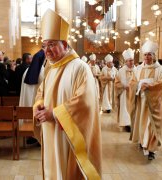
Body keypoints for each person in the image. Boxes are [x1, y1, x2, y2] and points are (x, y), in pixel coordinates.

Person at [33, 9, 101, 179]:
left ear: (64, 44)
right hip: (50, 130)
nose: (46, 50)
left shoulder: (79, 67)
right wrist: (38, 107)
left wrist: (54, 114)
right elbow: (41, 92)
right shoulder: (50, 67)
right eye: (44, 45)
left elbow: (85, 101)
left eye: (51, 44)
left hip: (68, 133)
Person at [131, 40, 162, 160]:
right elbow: (133, 83)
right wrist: (139, 86)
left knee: (151, 125)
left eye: (149, 54)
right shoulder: (138, 69)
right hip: (142, 101)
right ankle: (142, 141)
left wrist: (149, 86)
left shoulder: (159, 69)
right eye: (145, 54)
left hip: (154, 103)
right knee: (142, 123)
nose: (147, 57)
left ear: (154, 56)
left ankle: (152, 149)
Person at [114, 48, 137, 133]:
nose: (131, 62)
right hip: (124, 93)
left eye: (132, 60)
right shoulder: (121, 71)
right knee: (125, 109)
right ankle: (126, 124)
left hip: (134, 93)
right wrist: (123, 86)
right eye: (129, 60)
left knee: (134, 109)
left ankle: (133, 123)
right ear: (126, 61)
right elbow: (116, 83)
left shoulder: (137, 69)